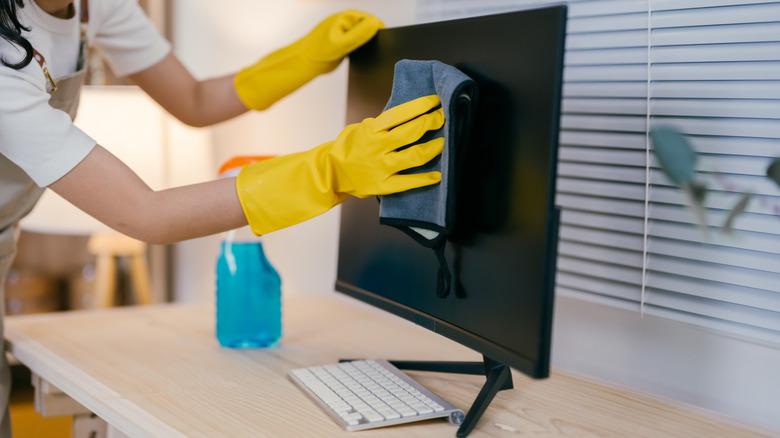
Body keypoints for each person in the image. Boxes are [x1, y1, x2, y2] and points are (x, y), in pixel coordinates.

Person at [0, 0, 445, 435]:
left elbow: (194, 100)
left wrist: (304, 58)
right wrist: (328, 171)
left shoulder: (97, 6)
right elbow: (146, 214)